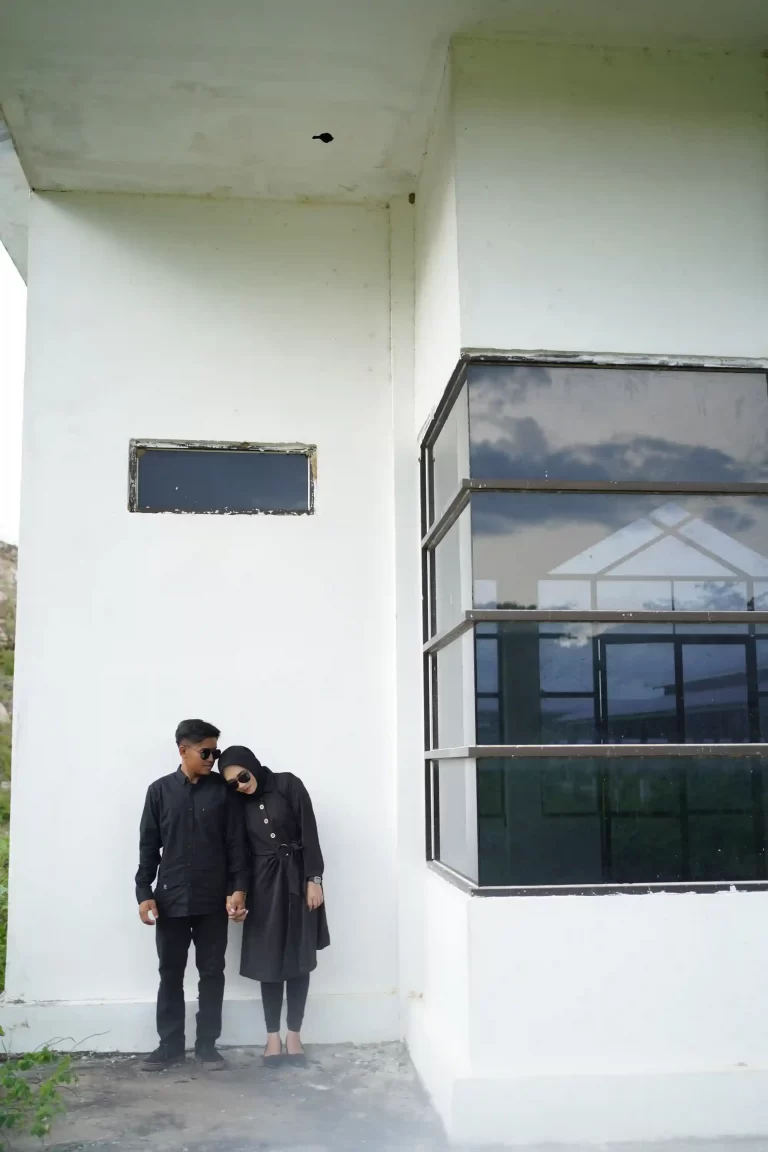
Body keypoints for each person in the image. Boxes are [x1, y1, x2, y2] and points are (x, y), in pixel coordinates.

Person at [135, 719, 248, 1072]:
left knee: (212, 973)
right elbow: (148, 847)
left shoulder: (223, 793)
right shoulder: (159, 792)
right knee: (170, 973)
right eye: (206, 752)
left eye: (215, 751)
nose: (213, 758)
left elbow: (236, 845)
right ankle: (169, 1046)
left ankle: (207, 1046)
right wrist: (144, 892)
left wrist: (238, 888)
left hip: (212, 900)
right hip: (170, 900)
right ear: (183, 750)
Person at [218, 746, 330, 1065]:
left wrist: (314, 878)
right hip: (262, 886)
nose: (240, 785)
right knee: (269, 962)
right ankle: (272, 1037)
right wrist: (237, 892)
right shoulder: (237, 804)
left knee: (298, 959)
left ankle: (294, 1036)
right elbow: (237, 853)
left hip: (298, 880)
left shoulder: (287, 784)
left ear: (253, 766)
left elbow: (309, 832)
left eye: (243, 776)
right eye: (232, 783)